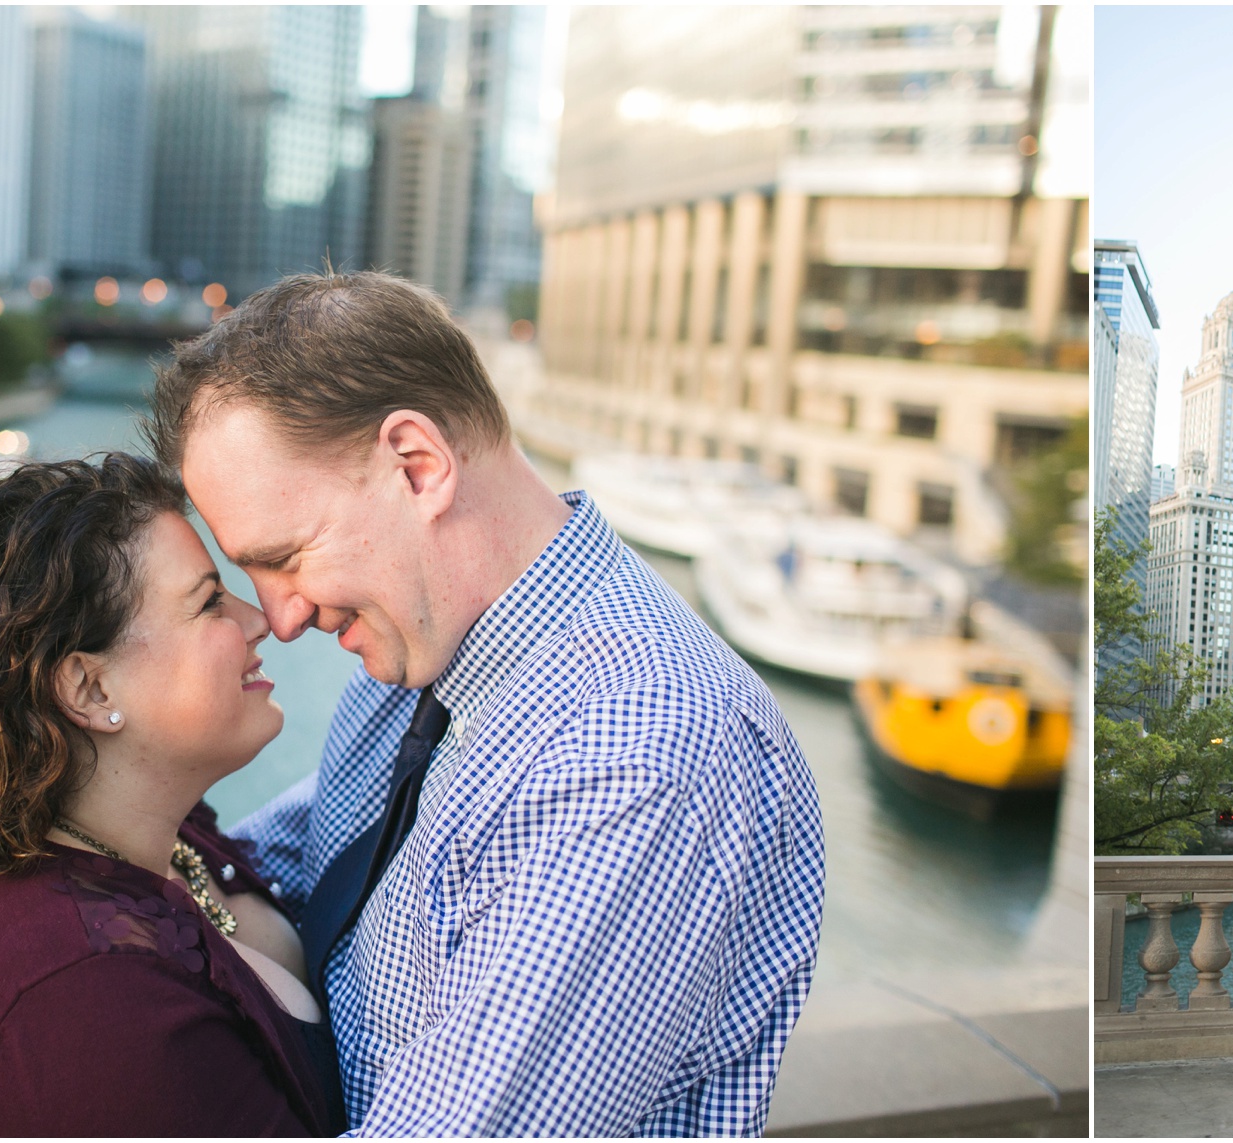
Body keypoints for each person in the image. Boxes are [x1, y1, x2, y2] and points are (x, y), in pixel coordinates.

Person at [146, 270, 825, 1135]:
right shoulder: (419, 668)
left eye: (284, 556)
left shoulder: (638, 751)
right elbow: (274, 863)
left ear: (417, 466)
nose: (278, 616)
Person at [0, 454, 344, 1136]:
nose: (262, 618)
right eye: (209, 601)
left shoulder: (147, 834)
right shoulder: (85, 1000)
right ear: (90, 689)